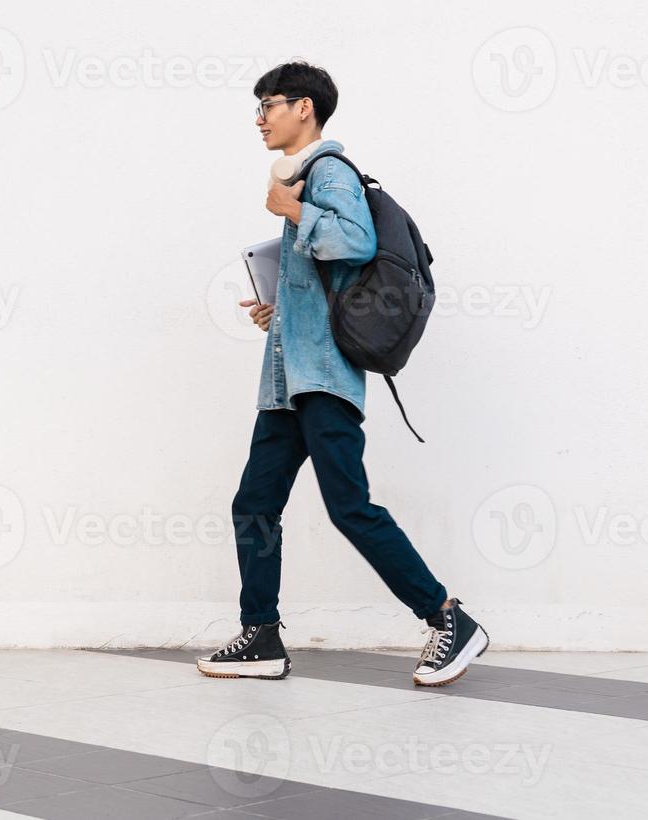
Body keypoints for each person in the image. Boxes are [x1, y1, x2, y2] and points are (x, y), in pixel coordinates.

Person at [196, 61, 487, 687]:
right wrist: (281, 306)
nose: (259, 118)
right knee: (254, 505)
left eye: (268, 105)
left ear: (305, 108)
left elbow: (353, 243)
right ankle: (261, 637)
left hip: (323, 377)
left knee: (349, 507)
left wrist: (292, 210)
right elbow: (328, 276)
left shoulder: (327, 172)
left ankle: (448, 618)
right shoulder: (306, 178)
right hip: (286, 381)